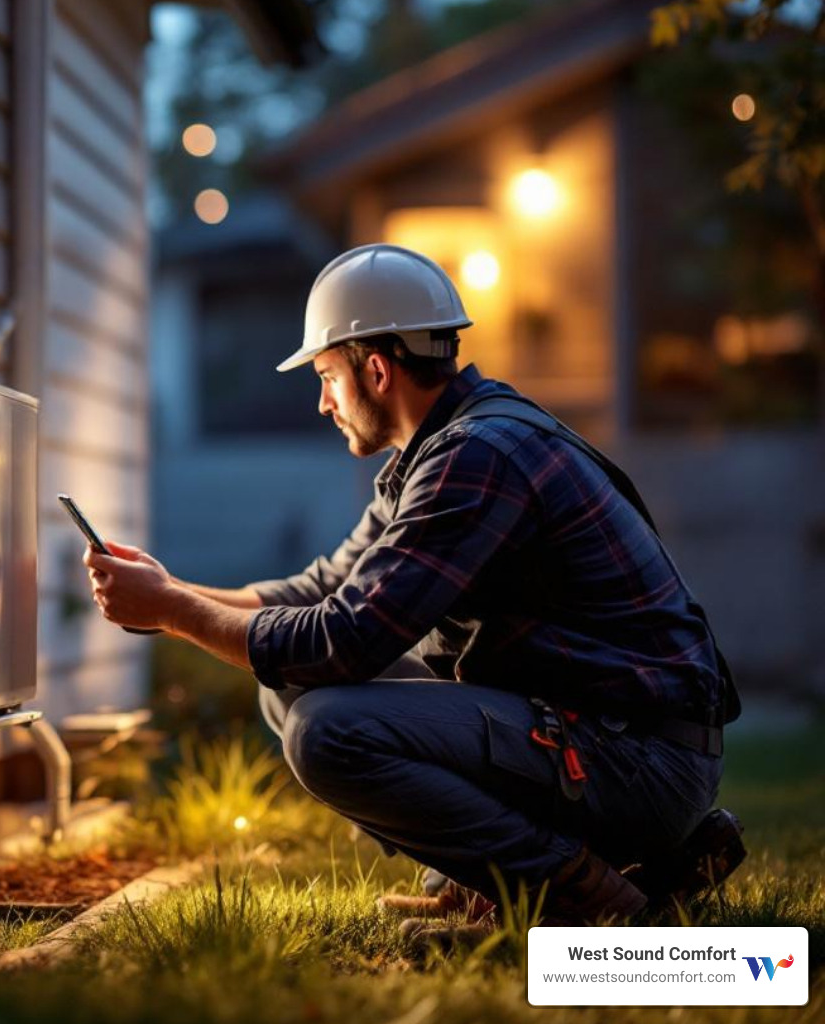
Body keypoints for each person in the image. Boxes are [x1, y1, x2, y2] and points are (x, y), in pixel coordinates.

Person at [83, 243, 744, 945]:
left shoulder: (477, 456)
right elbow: (318, 590)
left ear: (374, 369)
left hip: (638, 760)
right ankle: (502, 882)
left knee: (328, 729)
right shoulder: (437, 451)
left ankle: (581, 898)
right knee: (284, 688)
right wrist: (166, 592)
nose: (322, 403)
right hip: (594, 735)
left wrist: (171, 610)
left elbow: (344, 642)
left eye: (326, 378)